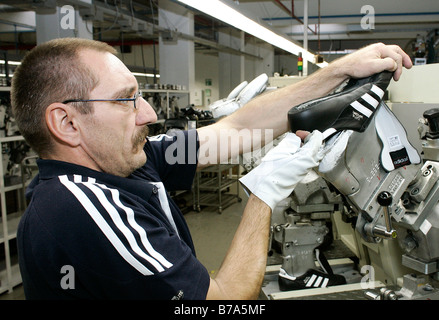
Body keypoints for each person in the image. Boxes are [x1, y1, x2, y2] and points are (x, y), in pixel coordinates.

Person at [11, 38, 412, 300]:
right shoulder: (82, 210)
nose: (148, 114)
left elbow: (233, 130)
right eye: (125, 100)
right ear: (66, 123)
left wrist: (339, 72)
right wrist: (264, 192)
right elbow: (223, 301)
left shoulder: (127, 161)